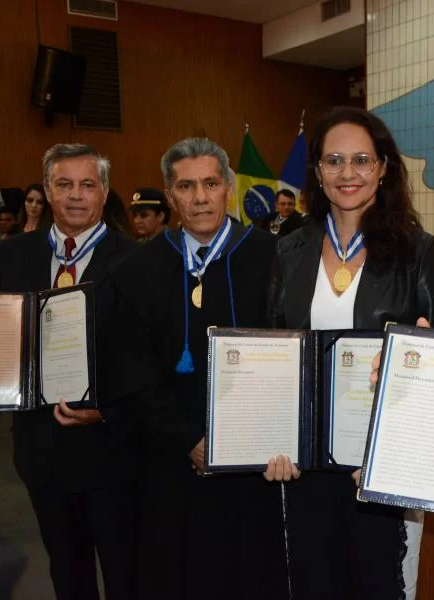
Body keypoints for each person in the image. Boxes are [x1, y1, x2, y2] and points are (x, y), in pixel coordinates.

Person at [0, 143, 140, 600]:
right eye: (64, 184)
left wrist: (109, 408)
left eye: (87, 185)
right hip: (41, 449)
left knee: (125, 572)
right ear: (47, 190)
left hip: (111, 450)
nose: (76, 195)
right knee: (67, 574)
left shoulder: (137, 261)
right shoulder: (14, 254)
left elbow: (146, 359)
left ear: (104, 192)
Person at [267, 106, 434, 600]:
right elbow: (273, 349)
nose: (348, 173)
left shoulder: (417, 249)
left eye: (362, 160)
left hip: (374, 462)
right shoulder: (290, 247)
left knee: (374, 585)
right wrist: (271, 435)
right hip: (305, 463)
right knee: (311, 581)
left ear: (384, 167)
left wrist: (392, 448)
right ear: (318, 172)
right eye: (334, 161)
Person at [109, 138, 287, 599]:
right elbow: (134, 371)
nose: (200, 197)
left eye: (210, 183)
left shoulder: (276, 260)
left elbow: (292, 356)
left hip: (254, 464)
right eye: (186, 186)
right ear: (170, 196)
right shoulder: (139, 269)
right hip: (169, 462)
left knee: (250, 576)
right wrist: (189, 441)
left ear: (228, 187)